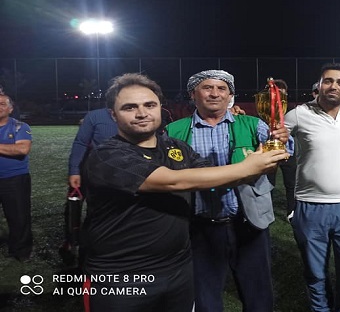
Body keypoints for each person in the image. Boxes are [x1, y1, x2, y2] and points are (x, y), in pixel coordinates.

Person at [81, 72, 287, 312]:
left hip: (177, 268)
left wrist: (264, 156)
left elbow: (215, 177)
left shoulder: (175, 147)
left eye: (149, 105)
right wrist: (247, 167)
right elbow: (172, 181)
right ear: (113, 114)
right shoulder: (107, 155)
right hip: (122, 274)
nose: (142, 113)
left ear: (160, 108)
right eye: (130, 107)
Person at [165, 70, 292, 312]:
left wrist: (283, 139)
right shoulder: (174, 131)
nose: (215, 93)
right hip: (199, 228)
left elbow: (284, 151)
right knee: (205, 300)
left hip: (248, 224)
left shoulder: (253, 124)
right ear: (193, 94)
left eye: (222, 88)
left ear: (230, 95)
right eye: (207, 88)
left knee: (258, 299)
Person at [284, 62, 340, 312]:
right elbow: (272, 135)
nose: (334, 86)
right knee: (315, 273)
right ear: (319, 85)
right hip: (310, 206)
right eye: (328, 81)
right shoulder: (298, 114)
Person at [59, 107, 118, 263]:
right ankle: (71, 241)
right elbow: (80, 143)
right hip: (90, 170)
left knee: (106, 211)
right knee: (74, 207)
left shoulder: (135, 116)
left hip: (119, 174)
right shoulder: (95, 116)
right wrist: (74, 170)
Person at [0, 94, 33, 261]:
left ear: (10, 109)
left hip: (14, 179)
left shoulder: (20, 126)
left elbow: (22, 150)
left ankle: (21, 251)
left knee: (18, 217)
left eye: (2, 104)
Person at [266, 79, 298, 222]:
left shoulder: (291, 110)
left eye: (281, 93)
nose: (277, 95)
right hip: (269, 152)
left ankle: (291, 211)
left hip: (288, 152)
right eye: (274, 92)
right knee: (268, 184)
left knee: (290, 184)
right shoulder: (263, 108)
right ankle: (267, 211)